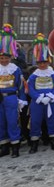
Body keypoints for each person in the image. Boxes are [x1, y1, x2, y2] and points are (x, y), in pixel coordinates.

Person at [27, 33, 54, 153]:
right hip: (37, 102)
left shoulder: (52, 73)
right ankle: (34, 143)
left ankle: (53, 141)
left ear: (48, 62)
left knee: (52, 120)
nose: (42, 65)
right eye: (40, 62)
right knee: (35, 121)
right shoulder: (34, 75)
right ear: (37, 63)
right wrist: (38, 97)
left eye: (44, 62)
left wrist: (52, 95)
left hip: (51, 101)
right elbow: (29, 87)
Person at [0, 24, 27, 158]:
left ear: (10, 57)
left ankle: (15, 146)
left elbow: (20, 85)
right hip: (0, 98)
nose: (4, 60)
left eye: (6, 57)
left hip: (11, 97)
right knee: (1, 122)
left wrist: (21, 99)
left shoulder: (15, 69)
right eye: (1, 58)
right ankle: (4, 146)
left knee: (12, 121)